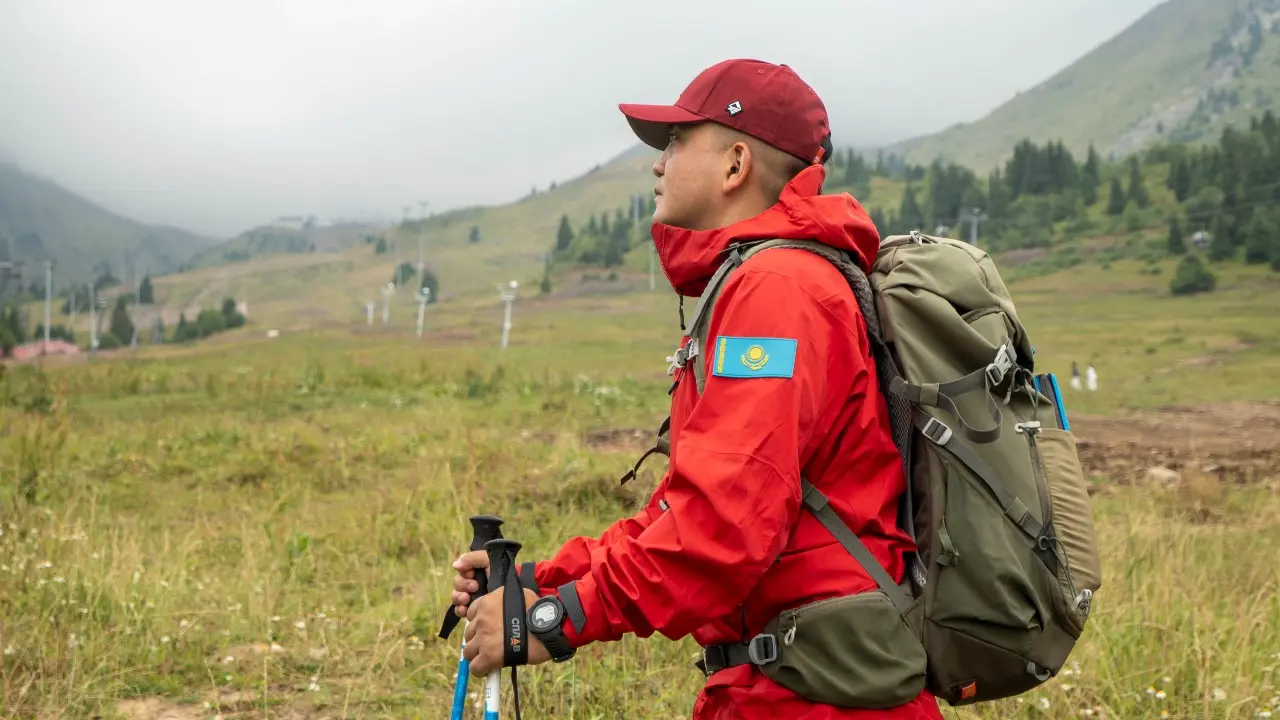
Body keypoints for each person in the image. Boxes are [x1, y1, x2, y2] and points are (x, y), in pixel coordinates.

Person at [450, 58, 944, 719]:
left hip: (814, 698)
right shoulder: (770, 281)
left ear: (735, 165)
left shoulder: (778, 292)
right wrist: (541, 581)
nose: (659, 163)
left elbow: (719, 533)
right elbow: (682, 516)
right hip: (790, 683)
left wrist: (549, 621)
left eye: (678, 142)